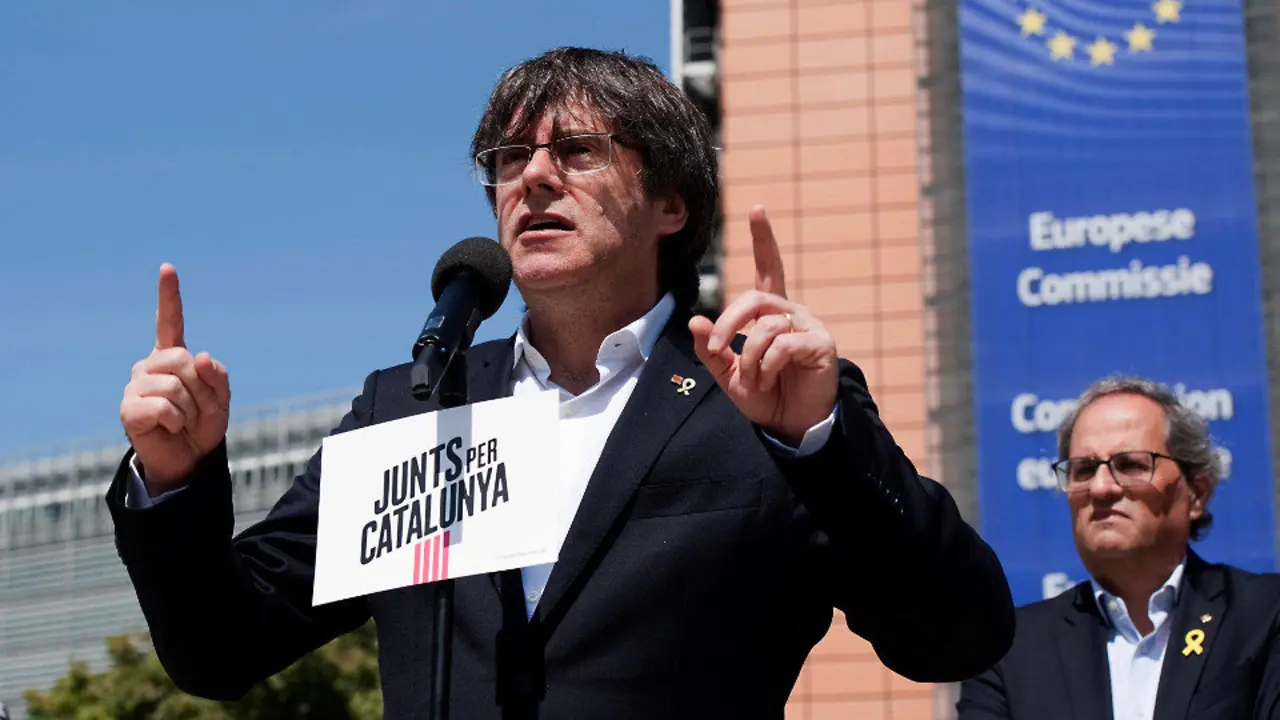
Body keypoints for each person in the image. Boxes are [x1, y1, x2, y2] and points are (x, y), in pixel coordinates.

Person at [108, 47, 1014, 719]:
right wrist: (176, 483)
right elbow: (222, 648)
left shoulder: (766, 403)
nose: (532, 174)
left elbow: (956, 637)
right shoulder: (419, 404)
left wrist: (816, 443)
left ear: (672, 204)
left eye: (576, 150)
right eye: (508, 159)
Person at [957, 376, 1280, 720]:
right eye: (1083, 470)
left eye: (1130, 465)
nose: (1101, 488)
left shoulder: (1262, 616)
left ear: (1196, 493)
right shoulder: (1008, 651)